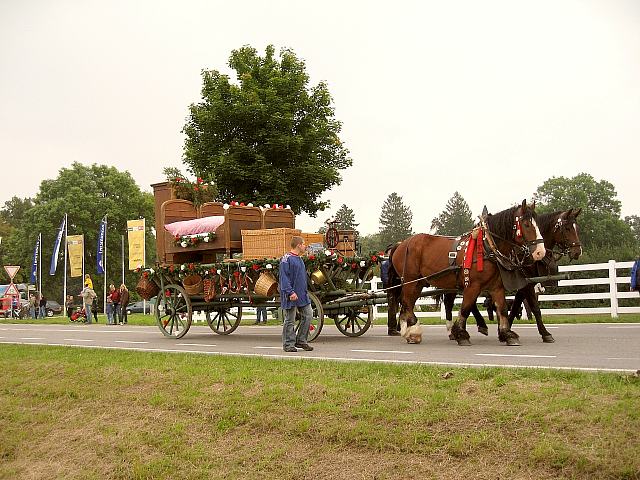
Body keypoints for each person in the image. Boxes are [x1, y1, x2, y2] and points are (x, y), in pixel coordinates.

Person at [279, 236, 314, 352]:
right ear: (299, 245)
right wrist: (290, 292)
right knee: (290, 319)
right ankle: (288, 344)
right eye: (304, 244)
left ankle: (301, 340)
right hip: (291, 294)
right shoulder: (286, 259)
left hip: (302, 294)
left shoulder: (299, 259)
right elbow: (284, 278)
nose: (305, 246)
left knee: (308, 314)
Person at [381, 245, 400, 336]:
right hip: (391, 288)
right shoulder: (385, 264)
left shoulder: (399, 262)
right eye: (390, 251)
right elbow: (384, 278)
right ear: (388, 253)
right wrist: (391, 284)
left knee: (404, 307)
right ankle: (391, 329)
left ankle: (400, 326)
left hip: (399, 287)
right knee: (392, 308)